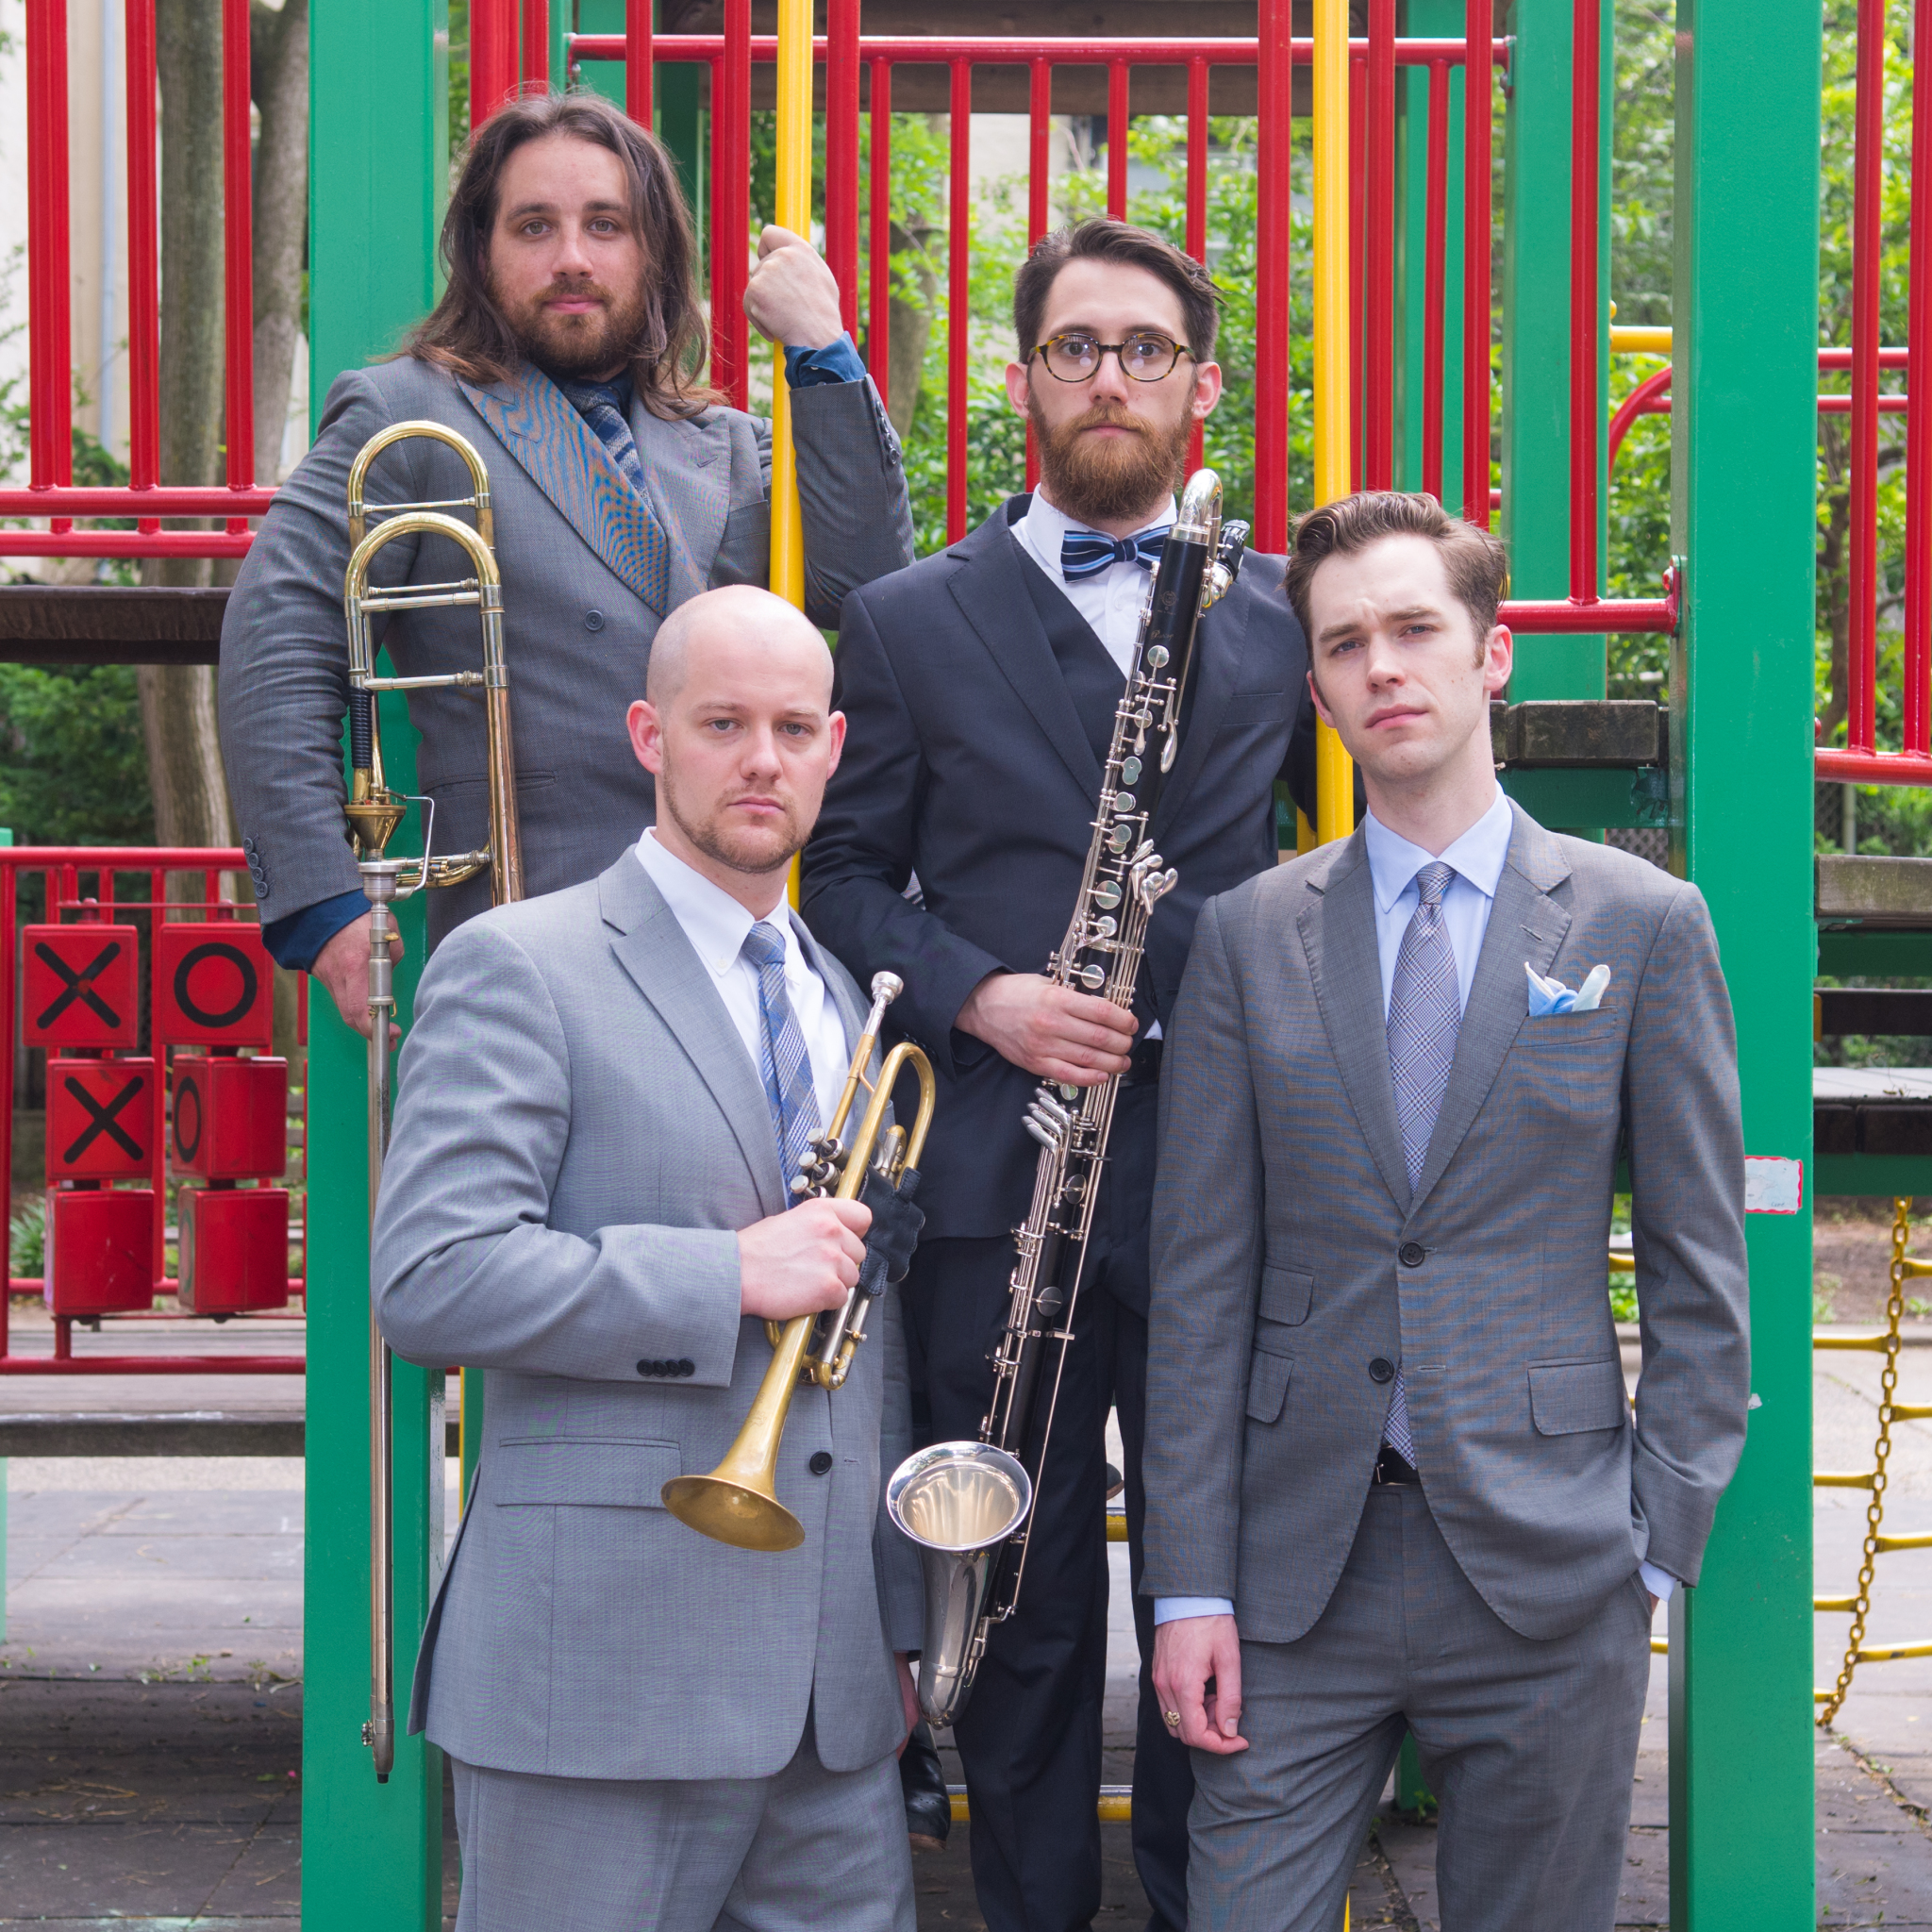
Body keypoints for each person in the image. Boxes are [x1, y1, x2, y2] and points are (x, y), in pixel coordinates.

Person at [803, 216, 1317, 1932]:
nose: (1112, 377)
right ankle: (1029, 1906)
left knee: (1211, 1571)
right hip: (990, 1189)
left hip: (1217, 1173)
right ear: (1022, 377)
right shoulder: (904, 617)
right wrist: (984, 995)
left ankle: (1199, 1899)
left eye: (1146, 348)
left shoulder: (1284, 619)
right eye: (1077, 345)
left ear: (1202, 383)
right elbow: (842, 879)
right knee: (1007, 1581)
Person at [1143, 491, 1752, 1932]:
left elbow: (1698, 1267)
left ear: (1492, 657)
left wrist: (1656, 1544)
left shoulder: (1637, 923)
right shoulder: (1245, 933)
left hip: (1551, 1569)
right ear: (1317, 690)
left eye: (1417, 628)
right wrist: (1186, 1591)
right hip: (1293, 1578)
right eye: (1347, 644)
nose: (1384, 668)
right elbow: (1199, 1284)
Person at [371, 584, 924, 1932]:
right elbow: (430, 1277)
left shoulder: (841, 994)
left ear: (835, 749)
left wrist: (893, 1618)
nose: (762, 760)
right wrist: (723, 1274)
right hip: (599, 1681)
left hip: (826, 1706)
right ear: (647, 735)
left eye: (795, 728)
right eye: (722, 723)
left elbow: (864, 1329)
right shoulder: (523, 964)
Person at [220, 89, 913, 1024]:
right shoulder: (409, 413)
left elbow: (864, 584)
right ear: (481, 249)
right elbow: (276, 641)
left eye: (605, 225)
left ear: (652, 252)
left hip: (732, 930)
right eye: (534, 226)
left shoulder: (728, 442)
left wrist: (822, 348)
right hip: (529, 942)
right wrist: (326, 902)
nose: (572, 258)